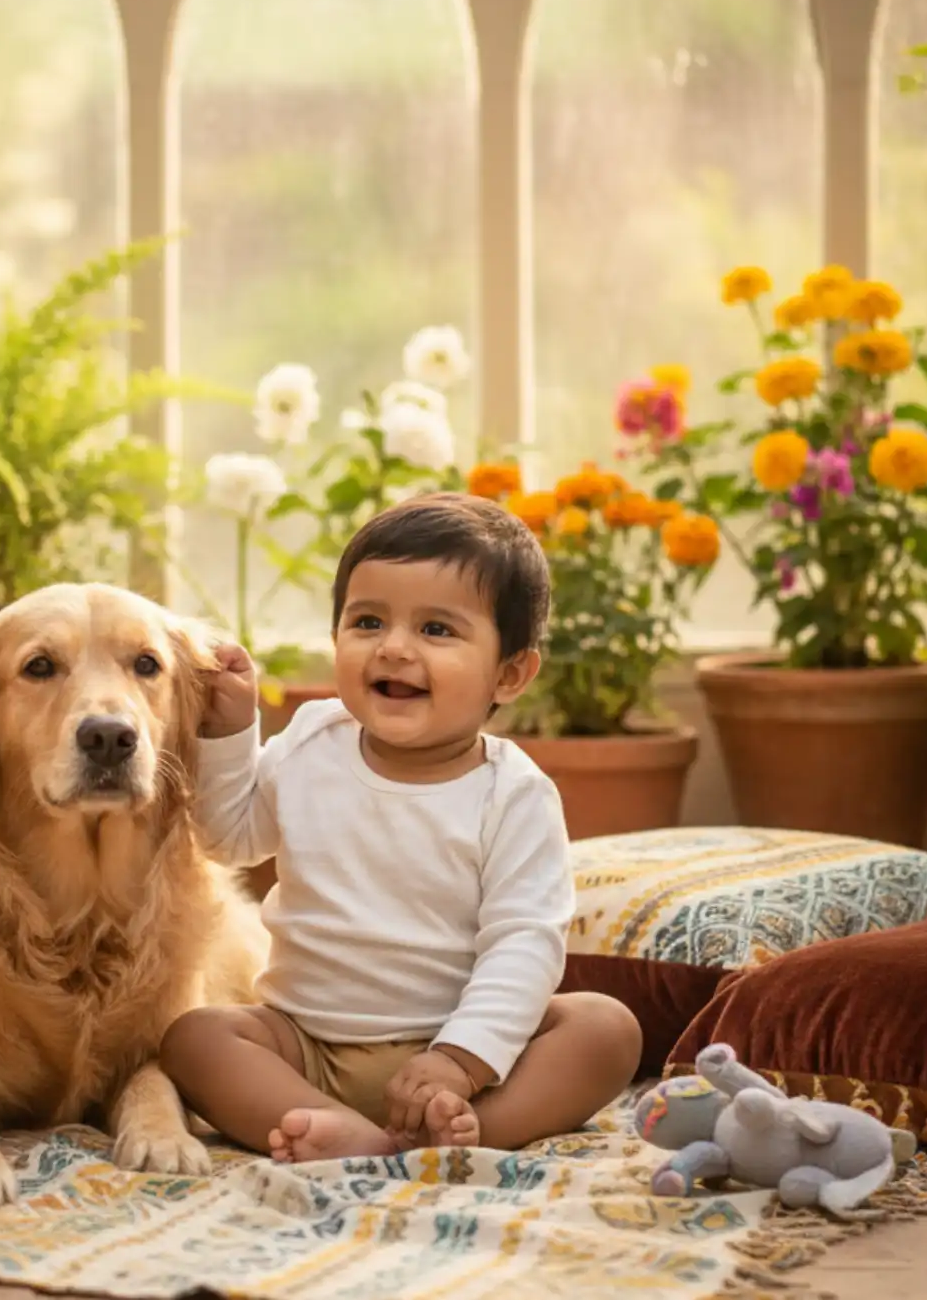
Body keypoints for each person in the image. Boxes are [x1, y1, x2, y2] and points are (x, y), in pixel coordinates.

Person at [160, 491, 642, 1163]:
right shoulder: (310, 743)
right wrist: (231, 730)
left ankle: (471, 1133)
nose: (393, 648)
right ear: (336, 637)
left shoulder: (514, 795)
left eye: (436, 630)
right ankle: (346, 1128)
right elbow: (227, 838)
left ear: (509, 673)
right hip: (307, 1043)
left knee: (604, 1027)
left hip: (462, 1061)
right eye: (367, 621)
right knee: (195, 1038)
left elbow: (524, 944)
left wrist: (460, 1058)